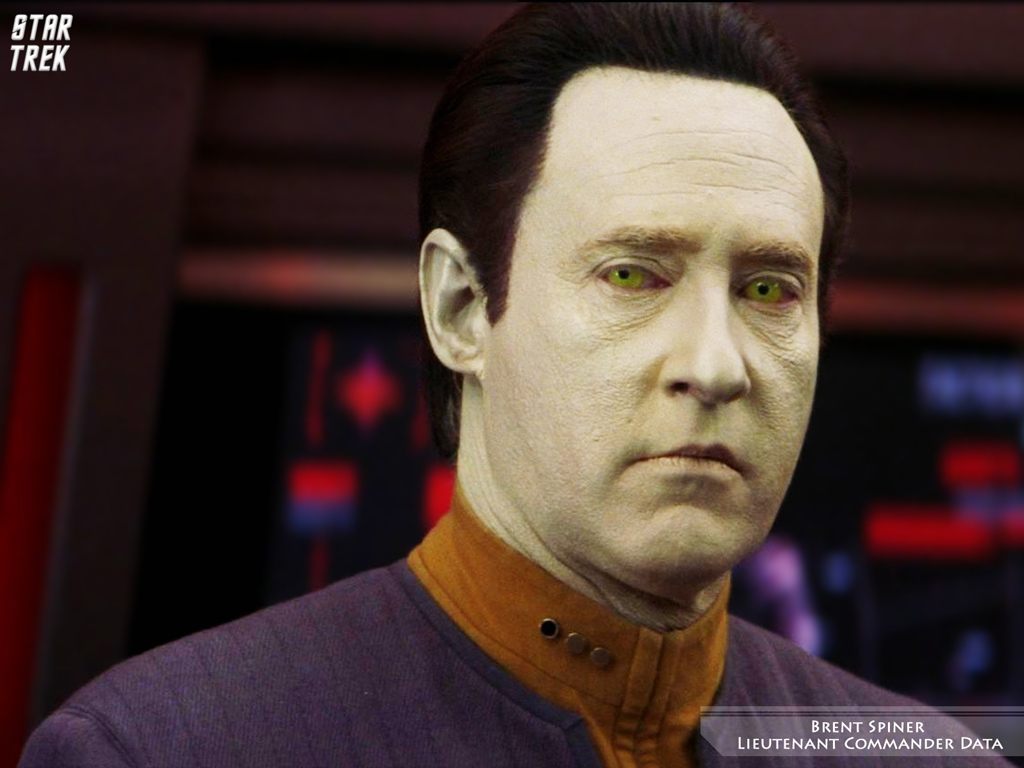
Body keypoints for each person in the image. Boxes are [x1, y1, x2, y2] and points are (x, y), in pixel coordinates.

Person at [18, 4, 1012, 767]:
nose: (715, 364)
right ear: (459, 308)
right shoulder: (170, 747)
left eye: (767, 290)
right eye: (633, 275)